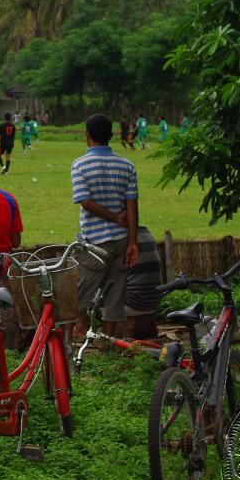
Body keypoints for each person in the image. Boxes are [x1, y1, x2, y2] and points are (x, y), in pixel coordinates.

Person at [70, 113, 139, 336]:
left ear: (87, 135)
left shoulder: (79, 165)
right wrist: (132, 242)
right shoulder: (127, 165)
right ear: (111, 135)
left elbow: (85, 201)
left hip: (93, 241)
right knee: (115, 292)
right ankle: (108, 339)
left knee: (80, 293)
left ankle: (74, 336)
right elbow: (132, 206)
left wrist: (111, 217)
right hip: (121, 240)